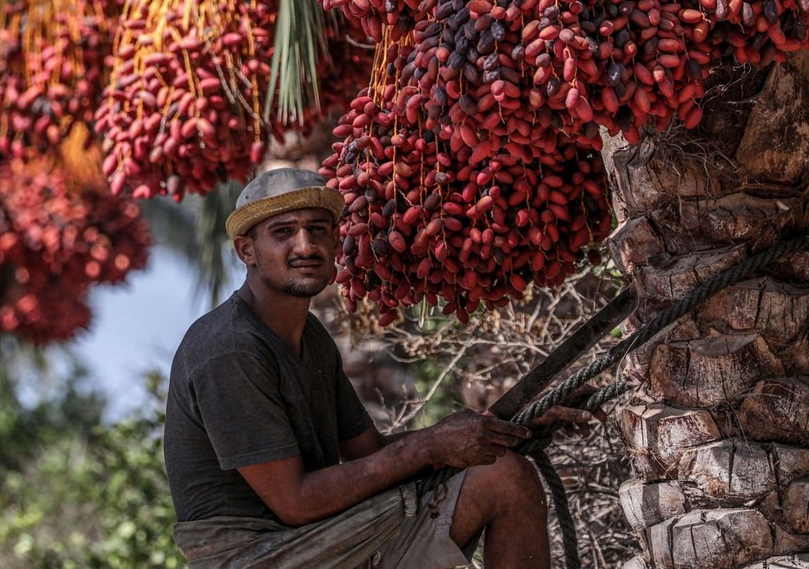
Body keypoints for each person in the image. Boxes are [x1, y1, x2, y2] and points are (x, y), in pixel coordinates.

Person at [164, 168, 594, 568]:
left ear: (335, 241)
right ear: (247, 251)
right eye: (283, 233)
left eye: (317, 230)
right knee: (501, 478)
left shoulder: (309, 336)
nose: (305, 246)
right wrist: (429, 446)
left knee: (504, 472)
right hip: (258, 554)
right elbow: (295, 501)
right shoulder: (229, 349)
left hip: (316, 534)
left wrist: (509, 422)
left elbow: (369, 453)